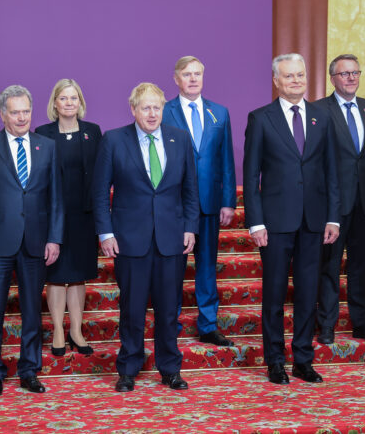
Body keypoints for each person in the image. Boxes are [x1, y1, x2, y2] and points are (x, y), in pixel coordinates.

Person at [93, 82, 200, 392]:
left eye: (157, 107)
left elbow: (190, 189)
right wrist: (105, 232)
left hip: (171, 239)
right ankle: (128, 367)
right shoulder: (114, 140)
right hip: (129, 240)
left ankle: (170, 368)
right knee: (132, 309)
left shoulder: (179, 139)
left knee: (169, 310)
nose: (152, 113)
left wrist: (190, 227)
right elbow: (100, 191)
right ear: (133, 109)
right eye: (146, 107)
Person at [243, 53, 340, 384]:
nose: (296, 80)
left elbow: (331, 172)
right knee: (273, 294)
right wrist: (255, 222)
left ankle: (303, 358)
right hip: (274, 223)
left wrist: (333, 218)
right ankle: (274, 360)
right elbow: (251, 173)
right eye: (289, 76)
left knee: (307, 293)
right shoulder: (260, 118)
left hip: (313, 222)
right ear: (276, 81)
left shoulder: (321, 118)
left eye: (300, 75)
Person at [0, 85, 63, 397]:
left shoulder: (47, 147)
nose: (22, 117)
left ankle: (29, 370)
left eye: (26, 111)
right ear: (2, 114)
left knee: (32, 311)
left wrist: (54, 238)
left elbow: (56, 199)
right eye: (15, 112)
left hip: (36, 242)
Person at [163, 56, 236, 346]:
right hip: (175, 205)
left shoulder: (220, 112)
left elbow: (226, 159)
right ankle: (171, 323)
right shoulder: (164, 111)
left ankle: (208, 325)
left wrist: (228, 201)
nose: (193, 79)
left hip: (209, 203)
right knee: (174, 270)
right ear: (176, 79)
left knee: (207, 266)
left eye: (197, 74)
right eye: (186, 74)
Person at [315, 54, 365, 346]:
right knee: (329, 266)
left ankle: (362, 324)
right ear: (333, 78)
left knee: (360, 266)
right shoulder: (318, 109)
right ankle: (327, 324)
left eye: (355, 72)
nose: (351, 78)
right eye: (345, 74)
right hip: (333, 204)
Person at [35, 79, 102, 356]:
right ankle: (58, 331)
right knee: (56, 275)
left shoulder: (93, 132)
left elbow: (101, 173)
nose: (69, 103)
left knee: (78, 275)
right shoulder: (43, 133)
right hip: (54, 216)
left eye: (74, 98)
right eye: (63, 98)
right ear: (54, 103)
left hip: (84, 215)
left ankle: (76, 329)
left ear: (81, 103)